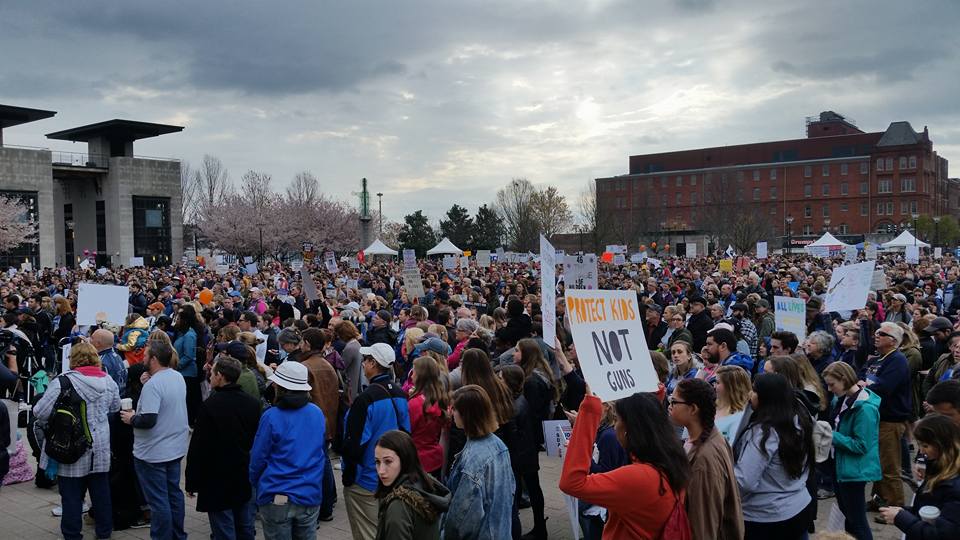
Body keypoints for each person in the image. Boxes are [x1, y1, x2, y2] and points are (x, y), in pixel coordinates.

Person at [560, 387, 690, 539]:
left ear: (629, 429)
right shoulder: (671, 460)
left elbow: (571, 483)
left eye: (617, 419)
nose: (615, 426)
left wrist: (589, 410)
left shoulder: (639, 477)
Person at [34, 342, 121, 540]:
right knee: (101, 493)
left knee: (72, 496)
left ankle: (72, 535)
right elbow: (115, 407)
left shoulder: (63, 382)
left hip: (70, 447)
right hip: (99, 447)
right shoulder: (108, 381)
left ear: (73, 359)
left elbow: (40, 412)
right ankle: (104, 532)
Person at [249, 361, 328, 540]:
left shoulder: (271, 417)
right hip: (309, 492)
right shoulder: (316, 413)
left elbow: (258, 458)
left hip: (277, 494)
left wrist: (254, 482)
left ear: (280, 387)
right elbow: (320, 451)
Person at [119, 339, 190, 540]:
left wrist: (131, 418)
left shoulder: (155, 385)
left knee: (159, 502)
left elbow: (148, 419)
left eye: (146, 355)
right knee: (174, 496)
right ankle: (178, 535)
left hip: (153, 452)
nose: (142, 357)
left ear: (155, 359)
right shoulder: (176, 377)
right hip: (174, 448)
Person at [185, 356, 262, 540]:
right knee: (245, 524)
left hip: (216, 477)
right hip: (243, 472)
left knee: (223, 526)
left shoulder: (210, 405)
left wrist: (192, 480)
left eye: (211, 373)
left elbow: (198, 446)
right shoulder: (252, 403)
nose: (209, 376)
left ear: (220, 376)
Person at [341, 342, 411, 540]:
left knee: (368, 532)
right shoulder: (400, 393)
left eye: (366, 360)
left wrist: (349, 476)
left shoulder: (366, 399)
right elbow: (406, 434)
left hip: (367, 479)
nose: (363, 365)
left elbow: (355, 444)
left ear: (373, 363)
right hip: (393, 475)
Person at [733, 372, 814, 539]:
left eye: (754, 391)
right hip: (798, 505)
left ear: (766, 397)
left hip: (766, 516)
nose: (750, 394)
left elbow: (744, 480)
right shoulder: (799, 419)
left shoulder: (764, 433)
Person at [669, 378, 744, 540]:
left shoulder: (704, 461)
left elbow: (703, 526)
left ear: (693, 409)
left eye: (674, 401)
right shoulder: (708, 437)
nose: (670, 405)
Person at [442, 385, 515, 540]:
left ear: (467, 414)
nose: (451, 412)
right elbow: (510, 490)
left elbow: (462, 518)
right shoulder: (498, 445)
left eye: (454, 409)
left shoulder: (473, 460)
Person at [823, 360, 881, 540]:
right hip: (840, 466)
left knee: (857, 522)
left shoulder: (865, 409)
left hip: (853, 472)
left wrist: (830, 435)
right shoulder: (841, 400)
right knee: (848, 517)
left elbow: (861, 445)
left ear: (844, 379)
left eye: (832, 384)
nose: (830, 389)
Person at [879, 414, 960, 538]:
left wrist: (900, 518)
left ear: (942, 445)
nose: (921, 451)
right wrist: (903, 512)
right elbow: (930, 508)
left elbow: (940, 534)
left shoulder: (954, 486)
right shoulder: (938, 470)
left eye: (925, 446)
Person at [861, 322, 912, 510]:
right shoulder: (879, 359)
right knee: (878, 464)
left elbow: (883, 387)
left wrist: (865, 385)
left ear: (893, 341)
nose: (876, 335)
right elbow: (862, 375)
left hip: (890, 420)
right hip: (877, 418)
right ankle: (879, 499)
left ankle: (895, 508)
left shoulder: (897, 360)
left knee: (890, 467)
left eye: (881, 333)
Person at [373, 430, 451, 540]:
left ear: (404, 459)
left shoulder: (398, 507)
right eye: (377, 462)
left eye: (388, 462)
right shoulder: (422, 483)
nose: (381, 470)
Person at [298, 328, 341, 521]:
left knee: (320, 463)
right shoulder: (325, 363)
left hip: (314, 423)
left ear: (307, 343)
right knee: (323, 461)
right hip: (326, 420)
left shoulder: (306, 366)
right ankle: (329, 500)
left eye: (301, 341)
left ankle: (325, 507)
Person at [406, 355, 448, 478]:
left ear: (421, 375)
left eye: (414, 371)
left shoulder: (414, 404)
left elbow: (407, 431)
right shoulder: (440, 399)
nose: (411, 375)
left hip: (417, 460)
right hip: (435, 457)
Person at [172, 304, 203, 427]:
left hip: (187, 374)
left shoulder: (190, 335)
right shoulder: (181, 333)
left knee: (188, 401)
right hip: (181, 372)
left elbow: (189, 356)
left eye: (178, 319)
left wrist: (176, 366)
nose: (177, 321)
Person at [714, 364, 752, 445]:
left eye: (717, 383)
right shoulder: (711, 406)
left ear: (731, 386)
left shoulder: (743, 415)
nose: (714, 386)